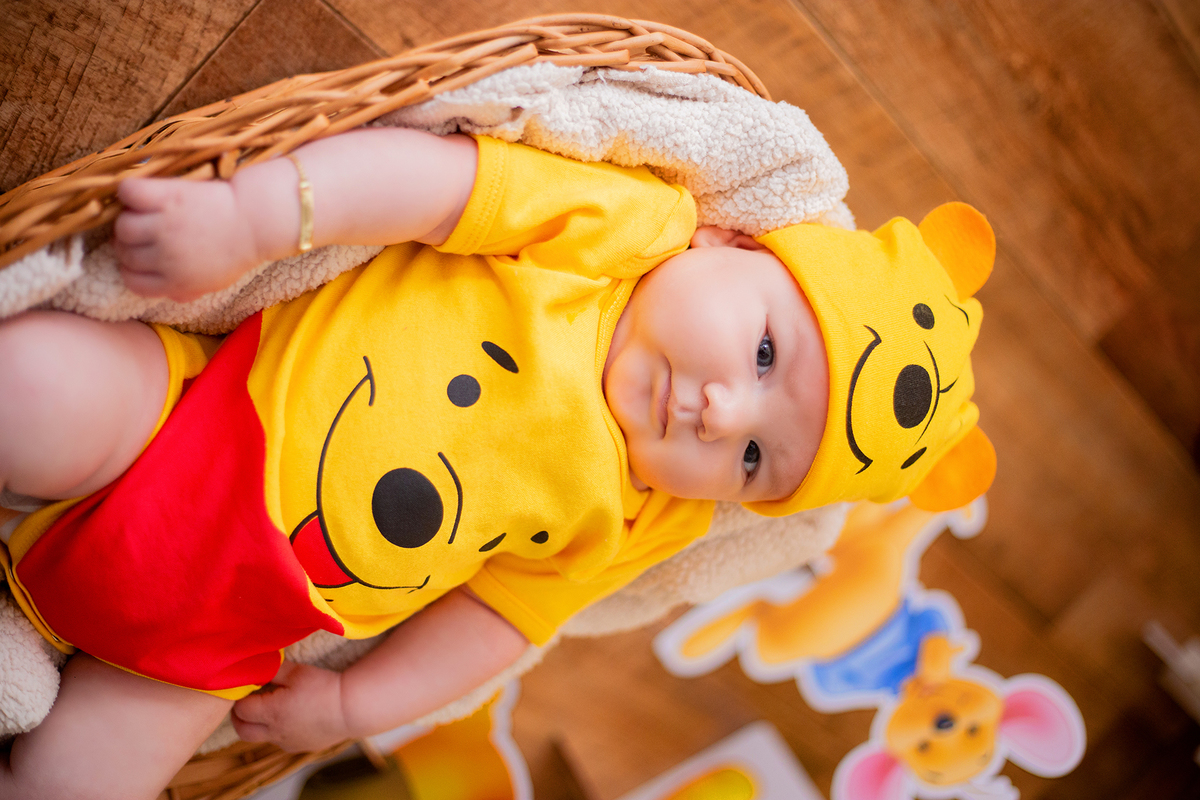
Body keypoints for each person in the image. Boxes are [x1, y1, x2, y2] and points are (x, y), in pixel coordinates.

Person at [0, 126, 991, 799]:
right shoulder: (621, 236)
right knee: (32, 383)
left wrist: (352, 701)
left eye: (753, 458)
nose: (721, 409)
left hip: (207, 649)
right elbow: (438, 186)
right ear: (731, 241)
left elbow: (490, 624)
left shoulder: (648, 516)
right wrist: (258, 217)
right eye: (766, 351)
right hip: (186, 419)